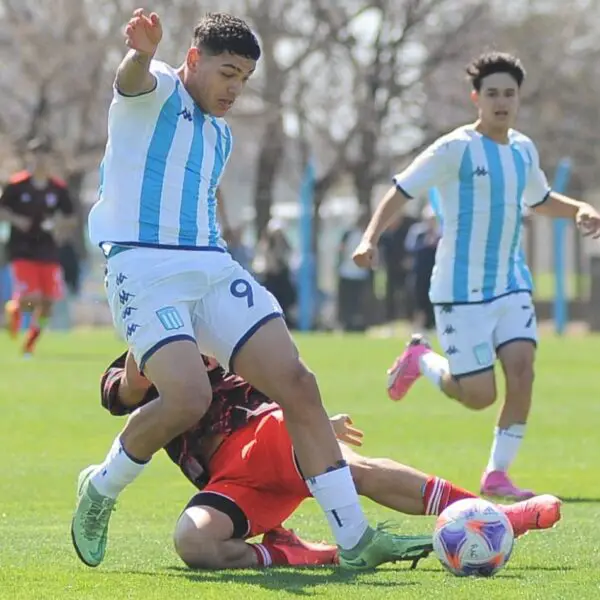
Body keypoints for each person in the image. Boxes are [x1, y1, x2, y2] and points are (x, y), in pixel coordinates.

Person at [72, 9, 405, 570]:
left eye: (244, 79)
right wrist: (142, 53)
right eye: (227, 73)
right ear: (195, 60)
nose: (235, 89)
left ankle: (354, 540)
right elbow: (130, 79)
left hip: (210, 264)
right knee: (187, 398)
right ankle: (100, 489)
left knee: (298, 383)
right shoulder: (151, 94)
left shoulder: (220, 136)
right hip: (142, 267)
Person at [353, 51, 600, 500]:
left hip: (511, 283)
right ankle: (421, 360)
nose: (501, 101)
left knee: (522, 372)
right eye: (493, 94)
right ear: (476, 98)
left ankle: (496, 475)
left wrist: (579, 208)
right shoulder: (454, 149)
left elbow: (540, 199)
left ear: (518, 98)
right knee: (478, 395)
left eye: (509, 93)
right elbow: (401, 189)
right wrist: (369, 238)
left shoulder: (523, 149)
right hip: (459, 290)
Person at [96, 349, 561, 570]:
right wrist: (144, 356)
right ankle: (293, 553)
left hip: (265, 433)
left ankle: (501, 517)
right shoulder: (142, 347)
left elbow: (283, 370)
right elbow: (121, 391)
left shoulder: (219, 322)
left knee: (352, 470)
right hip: (229, 483)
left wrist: (313, 421)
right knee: (193, 545)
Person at [0, 137, 76, 355]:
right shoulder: (16, 185)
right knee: (31, 299)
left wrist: (58, 224)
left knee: (48, 303)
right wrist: (17, 220)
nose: (40, 160)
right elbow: (2, 210)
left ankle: (30, 343)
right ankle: (14, 308)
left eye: (44, 156)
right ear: (30, 158)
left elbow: (71, 218)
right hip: (22, 250)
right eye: (36, 155)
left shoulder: (58, 188)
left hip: (48, 250)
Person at [404, 205, 441, 333]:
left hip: (435, 272)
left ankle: (434, 325)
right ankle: (419, 325)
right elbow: (410, 248)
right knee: (419, 299)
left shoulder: (440, 233)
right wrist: (426, 244)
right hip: (419, 271)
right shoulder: (417, 232)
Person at [336, 211, 371, 332]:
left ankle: (358, 324)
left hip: (360, 274)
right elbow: (341, 250)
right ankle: (346, 323)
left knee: (358, 302)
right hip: (347, 273)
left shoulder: (367, 236)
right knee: (347, 301)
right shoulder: (349, 234)